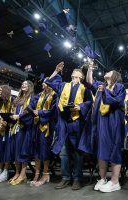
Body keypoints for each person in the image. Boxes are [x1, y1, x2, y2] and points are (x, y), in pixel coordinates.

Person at [45, 62, 92, 190]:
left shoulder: (85, 88)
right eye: (73, 76)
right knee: (64, 152)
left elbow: (89, 102)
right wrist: (56, 71)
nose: (74, 78)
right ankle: (65, 177)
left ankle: (77, 178)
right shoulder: (63, 86)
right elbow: (49, 82)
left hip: (76, 122)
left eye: (77, 77)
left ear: (81, 78)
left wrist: (80, 107)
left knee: (77, 152)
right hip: (63, 122)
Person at [84, 65, 125, 193]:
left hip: (114, 119)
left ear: (114, 76)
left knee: (114, 147)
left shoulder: (119, 87)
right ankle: (102, 179)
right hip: (102, 119)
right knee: (101, 148)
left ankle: (115, 181)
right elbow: (90, 81)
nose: (106, 72)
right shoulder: (102, 86)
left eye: (110, 71)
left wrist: (104, 91)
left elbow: (117, 101)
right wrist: (90, 67)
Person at [30, 78, 57, 187]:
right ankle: (37, 173)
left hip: (48, 126)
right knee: (37, 149)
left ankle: (46, 174)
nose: (42, 86)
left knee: (44, 150)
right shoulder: (40, 95)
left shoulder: (55, 95)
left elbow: (53, 111)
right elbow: (32, 103)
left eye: (44, 84)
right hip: (37, 124)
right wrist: (32, 109)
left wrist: (40, 112)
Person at [8, 81, 35, 185]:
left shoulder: (32, 98)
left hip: (25, 128)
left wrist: (19, 117)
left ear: (30, 87)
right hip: (16, 127)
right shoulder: (17, 98)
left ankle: (23, 175)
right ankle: (17, 173)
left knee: (23, 151)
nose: (23, 85)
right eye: (22, 84)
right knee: (16, 151)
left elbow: (30, 112)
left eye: (26, 84)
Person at [0, 85, 13, 183]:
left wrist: (8, 122)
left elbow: (15, 115)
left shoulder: (12, 101)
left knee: (7, 150)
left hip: (9, 130)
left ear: (5, 91)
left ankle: (5, 171)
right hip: (0, 129)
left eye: (1, 90)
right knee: (0, 149)